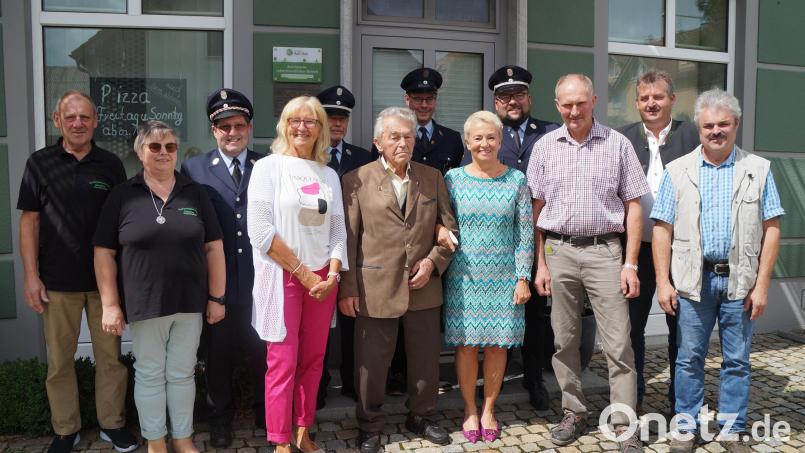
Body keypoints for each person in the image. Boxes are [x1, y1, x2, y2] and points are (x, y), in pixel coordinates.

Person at [652, 89, 784, 453]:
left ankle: (731, 428)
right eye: (708, 125)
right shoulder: (677, 171)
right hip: (693, 281)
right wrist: (663, 282)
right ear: (698, 128)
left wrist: (762, 286)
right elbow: (661, 228)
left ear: (736, 125)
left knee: (737, 360)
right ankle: (685, 426)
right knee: (689, 358)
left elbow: (772, 229)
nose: (716, 131)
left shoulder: (759, 170)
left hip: (740, 281)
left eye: (723, 124)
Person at [528, 74, 649, 452]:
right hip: (558, 252)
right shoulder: (545, 146)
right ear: (557, 105)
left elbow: (633, 205)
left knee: (618, 342)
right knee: (563, 340)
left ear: (594, 100)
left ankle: (623, 422)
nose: (574, 110)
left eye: (581, 102)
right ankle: (574, 411)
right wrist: (540, 264)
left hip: (605, 252)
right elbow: (535, 208)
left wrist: (630, 263)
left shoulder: (618, 145)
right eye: (567, 104)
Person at [93, 120, 226, 453]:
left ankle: (182, 438)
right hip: (145, 302)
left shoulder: (194, 192)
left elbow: (215, 248)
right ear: (141, 152)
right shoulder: (123, 195)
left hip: (190, 302)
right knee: (150, 373)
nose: (163, 153)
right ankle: (155, 441)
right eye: (154, 146)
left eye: (170, 146)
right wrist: (110, 304)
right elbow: (103, 253)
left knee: (182, 373)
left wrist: (217, 297)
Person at [17, 90, 137, 453]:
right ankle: (65, 429)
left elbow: (122, 222)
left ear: (95, 121)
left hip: (104, 285)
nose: (78, 123)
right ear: (57, 121)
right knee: (59, 362)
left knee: (110, 361)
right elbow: (30, 223)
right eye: (70, 117)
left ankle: (112, 424)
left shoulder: (111, 165)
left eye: (85, 117)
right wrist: (31, 275)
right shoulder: (40, 164)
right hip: (56, 283)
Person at [339, 107, 458, 453]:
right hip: (373, 288)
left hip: (424, 288)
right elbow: (348, 238)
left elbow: (449, 231)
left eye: (408, 135)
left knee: (425, 362)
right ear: (378, 142)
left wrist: (434, 263)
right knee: (371, 364)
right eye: (394, 136)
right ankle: (370, 424)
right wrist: (347, 289)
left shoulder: (432, 176)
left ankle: (421, 416)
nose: (403, 142)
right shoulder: (356, 179)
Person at [247, 96, 346, 453]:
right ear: (284, 125)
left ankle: (303, 430)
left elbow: (338, 231)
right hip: (284, 275)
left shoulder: (329, 174)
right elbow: (260, 232)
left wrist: (333, 274)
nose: (302, 127)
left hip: (323, 279)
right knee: (283, 361)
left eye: (311, 121)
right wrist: (305, 275)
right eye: (295, 120)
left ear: (321, 129)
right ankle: (279, 440)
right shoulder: (268, 168)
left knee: (314, 358)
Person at [180, 88, 266, 446]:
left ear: (249, 126)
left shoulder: (268, 164)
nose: (232, 132)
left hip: (262, 283)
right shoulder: (194, 168)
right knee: (217, 357)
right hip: (218, 286)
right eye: (224, 126)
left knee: (264, 353)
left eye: (239, 125)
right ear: (213, 130)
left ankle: (267, 414)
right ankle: (219, 417)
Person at [443, 111, 533, 443]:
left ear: (501, 140)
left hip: (504, 278)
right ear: (467, 142)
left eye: (491, 137)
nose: (484, 143)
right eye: (477, 138)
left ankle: (489, 409)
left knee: (497, 346)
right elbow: (442, 220)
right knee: (466, 346)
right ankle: (469, 409)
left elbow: (524, 233)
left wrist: (523, 277)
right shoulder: (452, 179)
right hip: (463, 278)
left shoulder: (517, 180)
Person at [617, 70, 700, 414]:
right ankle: (632, 398)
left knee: (680, 330)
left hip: (681, 250)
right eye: (645, 98)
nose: (651, 103)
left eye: (658, 97)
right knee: (630, 328)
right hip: (635, 251)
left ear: (672, 100)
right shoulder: (621, 139)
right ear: (636, 102)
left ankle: (680, 402)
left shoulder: (693, 135)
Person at [487, 64, 559, 410]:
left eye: (517, 94)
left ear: (528, 97)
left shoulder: (551, 133)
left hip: (539, 237)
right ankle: (490, 385)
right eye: (504, 96)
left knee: (534, 315)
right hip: (495, 243)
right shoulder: (486, 135)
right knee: (495, 312)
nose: (511, 101)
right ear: (496, 102)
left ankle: (534, 379)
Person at [314, 84, 373, 407]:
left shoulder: (362, 158)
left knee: (353, 322)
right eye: (330, 117)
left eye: (342, 119)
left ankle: (352, 383)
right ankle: (319, 386)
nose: (337, 124)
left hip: (354, 253)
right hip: (316, 253)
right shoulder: (307, 159)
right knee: (318, 326)